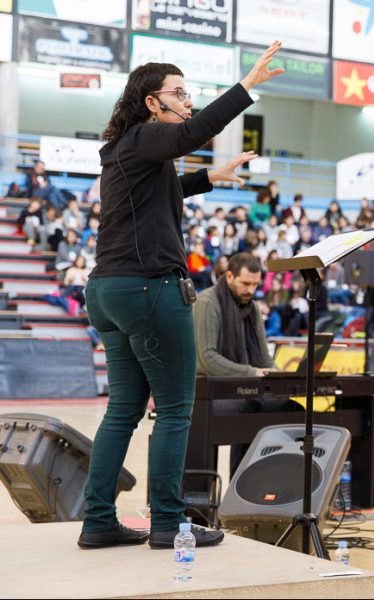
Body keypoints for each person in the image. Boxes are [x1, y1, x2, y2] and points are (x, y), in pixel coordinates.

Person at [77, 41, 284, 551]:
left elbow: (165, 189)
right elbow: (195, 132)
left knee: (124, 409)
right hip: (150, 288)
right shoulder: (150, 137)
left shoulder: (127, 146)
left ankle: (98, 520)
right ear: (152, 102)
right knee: (174, 409)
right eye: (179, 92)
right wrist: (246, 86)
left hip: (108, 290)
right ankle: (169, 523)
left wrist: (210, 177)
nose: (187, 101)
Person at [193, 252, 299, 475]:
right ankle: (239, 487)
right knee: (249, 409)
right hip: (207, 391)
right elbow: (207, 359)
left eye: (255, 284)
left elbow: (263, 357)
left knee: (292, 409)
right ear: (229, 276)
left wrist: (280, 377)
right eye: (245, 283)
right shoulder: (207, 302)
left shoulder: (253, 308)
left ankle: (270, 484)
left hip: (242, 388)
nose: (250, 290)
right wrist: (252, 372)